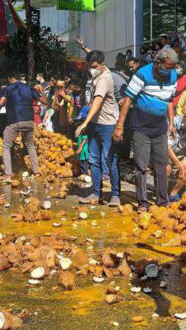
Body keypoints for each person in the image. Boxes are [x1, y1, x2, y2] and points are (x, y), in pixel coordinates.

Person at [113, 47, 178, 212]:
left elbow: (169, 101)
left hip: (160, 128)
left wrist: (171, 123)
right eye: (167, 67)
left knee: (161, 165)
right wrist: (119, 126)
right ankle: (142, 202)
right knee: (141, 166)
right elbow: (128, 100)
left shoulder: (173, 76)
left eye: (172, 68)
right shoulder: (142, 74)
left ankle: (162, 201)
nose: (169, 71)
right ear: (158, 63)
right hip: (141, 128)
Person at [75, 50, 121, 206]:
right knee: (93, 160)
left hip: (107, 125)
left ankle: (115, 195)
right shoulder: (97, 76)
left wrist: (85, 122)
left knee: (109, 161)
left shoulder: (104, 79)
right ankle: (96, 193)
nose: (91, 69)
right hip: (95, 125)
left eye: (94, 66)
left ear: (102, 65)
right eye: (89, 66)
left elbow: (98, 101)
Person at [0, 76, 47, 181]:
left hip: (14, 121)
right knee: (30, 145)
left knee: (6, 146)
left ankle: (8, 174)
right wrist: (42, 91)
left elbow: (0, 103)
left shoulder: (8, 88)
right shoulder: (29, 88)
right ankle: (36, 172)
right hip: (29, 121)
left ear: (11, 79)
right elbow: (44, 101)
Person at [74, 106, 90, 178]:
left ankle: (85, 174)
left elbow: (85, 138)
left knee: (84, 161)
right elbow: (76, 136)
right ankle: (85, 173)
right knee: (82, 161)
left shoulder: (85, 127)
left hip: (84, 149)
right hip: (82, 149)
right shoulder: (81, 127)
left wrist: (80, 147)